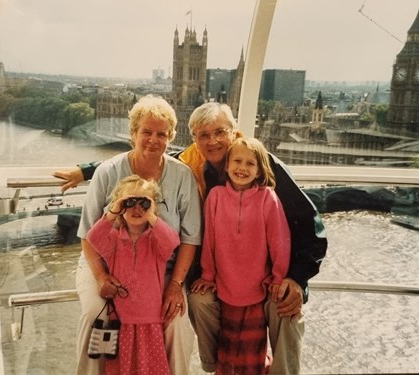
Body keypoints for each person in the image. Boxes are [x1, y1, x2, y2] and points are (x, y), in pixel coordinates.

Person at [54, 102, 327, 374]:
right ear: (194, 139)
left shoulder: (259, 164)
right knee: (100, 316)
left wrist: (296, 278)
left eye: (220, 132)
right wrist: (86, 170)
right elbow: (143, 154)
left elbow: (309, 226)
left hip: (255, 272)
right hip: (115, 266)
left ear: (233, 132)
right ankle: (215, 365)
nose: (213, 141)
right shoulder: (192, 161)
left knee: (275, 309)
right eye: (203, 135)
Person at [74, 94, 202, 375]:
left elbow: (191, 238)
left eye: (161, 134)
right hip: (104, 264)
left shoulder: (182, 176)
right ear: (133, 133)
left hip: (162, 270)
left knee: (177, 324)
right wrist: (101, 277)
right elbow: (87, 234)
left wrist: (175, 285)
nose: (153, 140)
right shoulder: (108, 172)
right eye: (146, 132)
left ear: (171, 137)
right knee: (95, 314)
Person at [191, 137, 291, 374]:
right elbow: (209, 240)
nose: (242, 168)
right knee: (228, 348)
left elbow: (280, 241)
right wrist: (207, 274)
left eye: (250, 163)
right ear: (226, 165)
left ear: (259, 171)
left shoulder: (268, 198)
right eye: (237, 161)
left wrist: (278, 277)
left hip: (257, 287)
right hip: (225, 286)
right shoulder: (215, 196)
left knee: (252, 350)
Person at [86, 175, 180, 375]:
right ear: (120, 206)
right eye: (130, 203)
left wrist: (152, 215)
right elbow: (92, 238)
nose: (137, 208)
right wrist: (113, 211)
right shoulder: (113, 240)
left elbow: (172, 242)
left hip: (150, 321)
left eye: (143, 203)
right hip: (121, 321)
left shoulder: (157, 241)